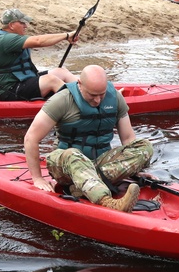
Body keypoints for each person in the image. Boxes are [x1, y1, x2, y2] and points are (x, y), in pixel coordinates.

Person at [23, 64, 154, 213]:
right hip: (66, 164)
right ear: (80, 84)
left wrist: (132, 170)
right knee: (73, 154)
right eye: (92, 95)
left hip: (99, 162)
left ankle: (81, 186)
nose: (98, 100)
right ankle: (108, 202)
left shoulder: (115, 97)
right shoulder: (62, 100)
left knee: (144, 146)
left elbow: (129, 138)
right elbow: (31, 138)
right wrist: (38, 178)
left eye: (102, 95)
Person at [0, 8, 82, 102]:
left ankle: (86, 91)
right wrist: (67, 36)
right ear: (11, 25)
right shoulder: (6, 40)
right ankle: (81, 103)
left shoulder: (10, 37)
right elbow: (38, 41)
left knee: (61, 72)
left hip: (22, 80)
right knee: (51, 80)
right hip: (10, 90)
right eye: (22, 23)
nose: (25, 26)